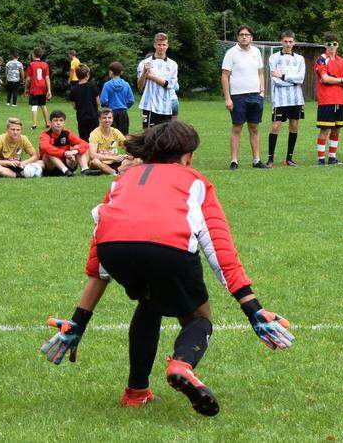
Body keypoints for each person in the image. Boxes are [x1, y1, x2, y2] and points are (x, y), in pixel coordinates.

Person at [38, 121, 293, 414]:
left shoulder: (123, 180)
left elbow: (100, 252)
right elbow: (220, 250)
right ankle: (182, 365)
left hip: (114, 250)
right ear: (185, 155)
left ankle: (136, 392)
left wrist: (78, 320)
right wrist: (253, 308)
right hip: (166, 247)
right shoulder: (195, 180)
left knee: (150, 302)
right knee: (199, 316)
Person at [219, 25, 265, 170]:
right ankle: (234, 161)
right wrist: (227, 98)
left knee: (254, 127)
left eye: (247, 34)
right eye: (241, 34)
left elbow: (261, 73)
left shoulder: (256, 52)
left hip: (255, 95)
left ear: (251, 37)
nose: (244, 37)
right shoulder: (231, 53)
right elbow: (225, 76)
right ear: (238, 37)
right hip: (238, 96)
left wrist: (262, 91)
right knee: (237, 127)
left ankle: (256, 160)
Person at [267, 30, 305, 168]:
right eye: (286, 41)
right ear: (281, 41)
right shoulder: (273, 58)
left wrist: (283, 76)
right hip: (280, 99)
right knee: (275, 126)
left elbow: (300, 79)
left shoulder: (300, 59)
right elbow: (275, 81)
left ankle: (289, 158)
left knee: (294, 126)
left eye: (291, 41)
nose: (288, 44)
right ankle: (270, 159)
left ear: (294, 42)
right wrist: (291, 79)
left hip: (296, 99)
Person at [314, 33, 343, 165]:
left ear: (337, 45)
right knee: (325, 129)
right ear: (325, 45)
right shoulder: (321, 60)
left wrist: (334, 79)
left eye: (334, 44)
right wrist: (339, 79)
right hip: (326, 99)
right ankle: (321, 158)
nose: (332, 47)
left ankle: (332, 157)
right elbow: (325, 79)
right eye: (329, 44)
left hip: (340, 99)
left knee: (337, 129)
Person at [138, 32, 178, 129]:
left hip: (166, 107)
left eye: (164, 45)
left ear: (167, 46)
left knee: (166, 137)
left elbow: (169, 85)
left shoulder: (172, 64)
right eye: (159, 45)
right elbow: (139, 85)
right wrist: (144, 73)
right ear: (155, 45)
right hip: (149, 106)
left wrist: (151, 76)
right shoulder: (144, 63)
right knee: (148, 136)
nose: (161, 47)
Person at [39, 110, 95, 176]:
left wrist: (75, 151)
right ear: (50, 123)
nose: (58, 123)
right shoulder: (45, 135)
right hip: (51, 167)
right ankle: (65, 171)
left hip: (67, 163)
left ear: (64, 123)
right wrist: (64, 153)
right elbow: (45, 147)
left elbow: (85, 144)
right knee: (48, 152)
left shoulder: (67, 134)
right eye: (55, 120)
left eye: (61, 120)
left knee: (78, 147)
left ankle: (85, 169)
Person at [88, 108, 134, 176]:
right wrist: (113, 157)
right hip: (101, 162)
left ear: (112, 119)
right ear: (99, 119)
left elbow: (127, 145)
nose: (107, 120)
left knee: (135, 159)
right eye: (104, 118)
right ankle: (114, 172)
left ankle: (116, 171)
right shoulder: (94, 134)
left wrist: (129, 155)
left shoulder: (115, 132)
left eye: (109, 118)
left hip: (114, 162)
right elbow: (92, 155)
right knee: (95, 161)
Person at [99, 61, 135, 134]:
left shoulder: (107, 85)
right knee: (124, 133)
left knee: (112, 134)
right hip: (123, 113)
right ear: (121, 72)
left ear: (111, 72)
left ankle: (114, 145)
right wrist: (124, 106)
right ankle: (123, 145)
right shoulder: (126, 84)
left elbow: (103, 101)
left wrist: (107, 108)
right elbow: (131, 100)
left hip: (111, 113)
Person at [70, 64, 101, 142]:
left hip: (81, 118)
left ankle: (86, 153)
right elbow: (98, 102)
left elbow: (74, 106)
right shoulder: (93, 86)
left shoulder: (74, 90)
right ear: (88, 75)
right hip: (93, 117)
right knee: (95, 138)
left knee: (84, 140)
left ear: (76, 76)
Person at [27, 47, 52, 130]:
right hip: (43, 87)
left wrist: (27, 86)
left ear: (34, 55)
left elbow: (28, 78)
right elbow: (47, 77)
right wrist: (49, 90)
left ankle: (34, 124)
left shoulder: (31, 64)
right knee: (43, 105)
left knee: (34, 105)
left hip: (35, 87)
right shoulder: (45, 64)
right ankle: (48, 123)